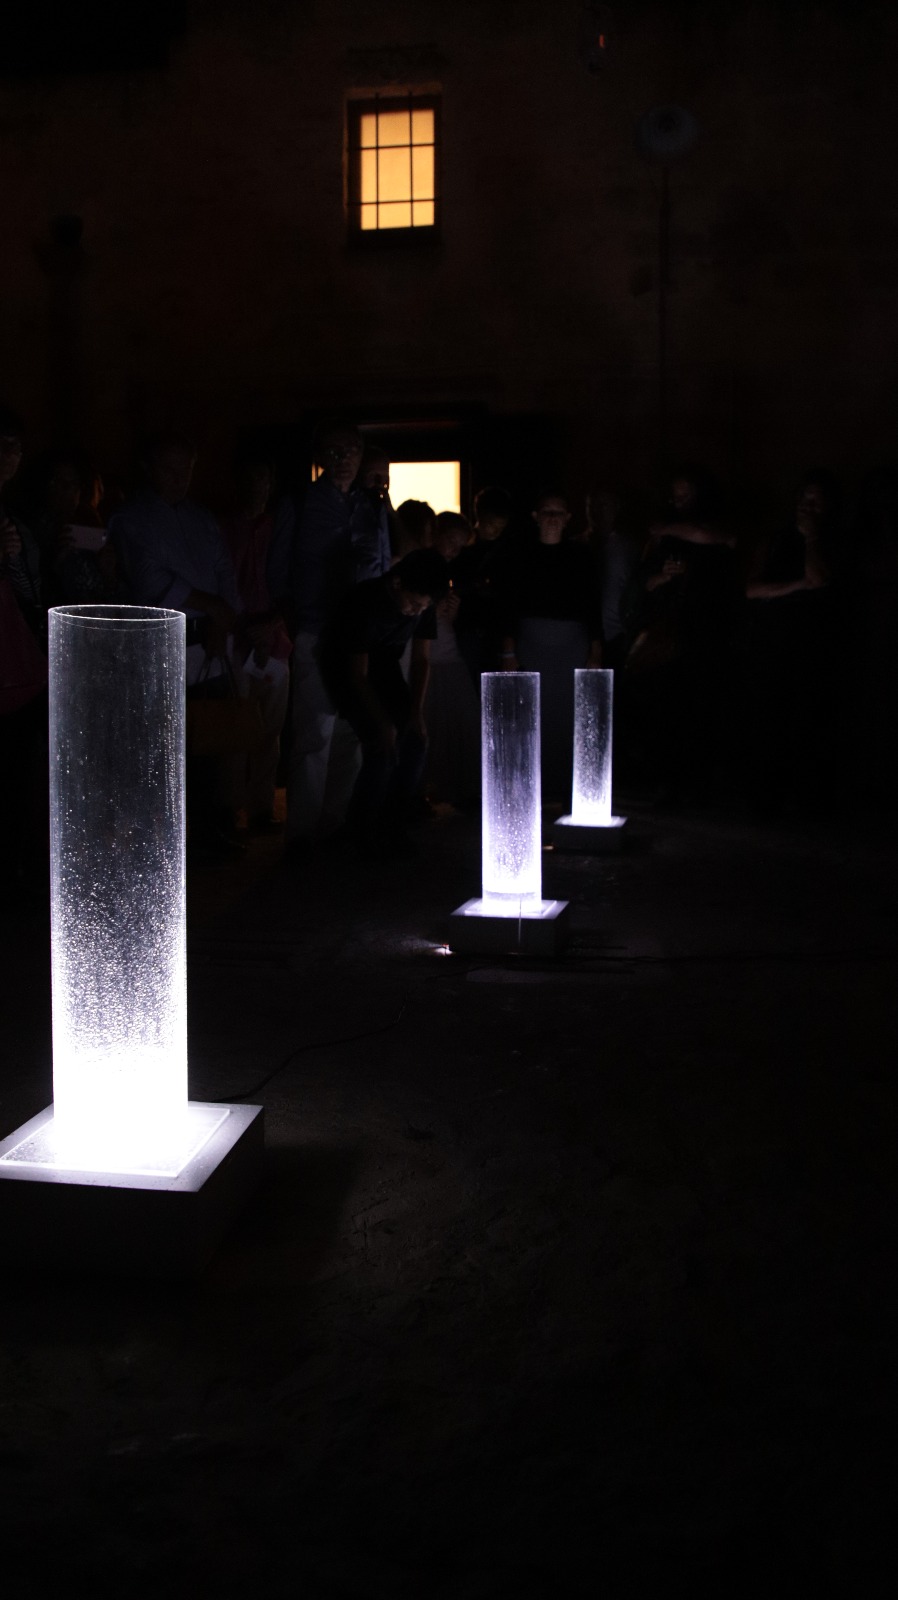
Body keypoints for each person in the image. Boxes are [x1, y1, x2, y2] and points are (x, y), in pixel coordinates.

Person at [110, 431, 243, 853]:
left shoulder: (201, 518)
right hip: (160, 645)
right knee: (167, 751)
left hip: (210, 643)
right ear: (148, 469)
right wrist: (212, 605)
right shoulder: (130, 518)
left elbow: (225, 569)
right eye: (169, 469)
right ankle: (169, 841)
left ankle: (212, 830)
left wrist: (223, 617)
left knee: (211, 743)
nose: (179, 478)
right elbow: (150, 579)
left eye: (185, 469)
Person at [268, 421, 392, 849]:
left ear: (361, 455)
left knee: (351, 732)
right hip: (318, 630)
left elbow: (382, 567)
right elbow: (278, 571)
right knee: (314, 732)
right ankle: (302, 833)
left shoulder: (370, 504)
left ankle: (336, 825)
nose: (343, 461)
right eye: (334, 452)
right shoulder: (301, 502)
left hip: (360, 636)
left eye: (350, 452)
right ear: (321, 457)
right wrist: (297, 622)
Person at [317, 548, 449, 854]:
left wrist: (416, 712)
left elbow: (422, 660)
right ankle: (361, 832)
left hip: (385, 669)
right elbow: (356, 675)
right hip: (347, 670)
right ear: (397, 583)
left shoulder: (423, 602)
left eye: (423, 607)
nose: (416, 612)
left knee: (414, 741)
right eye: (414, 604)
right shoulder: (366, 601)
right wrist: (382, 722)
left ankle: (393, 826)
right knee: (381, 745)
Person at [500, 492, 603, 802]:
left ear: (568, 518)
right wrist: (509, 651)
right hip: (531, 644)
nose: (553, 518)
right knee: (531, 716)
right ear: (536, 516)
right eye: (547, 512)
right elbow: (508, 606)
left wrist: (595, 651)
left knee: (567, 718)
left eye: (559, 513)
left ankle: (566, 789)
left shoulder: (581, 556)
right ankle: (533, 789)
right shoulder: (520, 555)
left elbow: (592, 606)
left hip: (571, 645)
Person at [221, 452, 292, 833]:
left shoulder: (277, 528)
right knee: (237, 729)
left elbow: (291, 583)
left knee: (270, 729)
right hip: (237, 637)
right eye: (250, 479)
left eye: (263, 479)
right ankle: (233, 808)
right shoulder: (224, 528)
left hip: (274, 639)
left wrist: (272, 626)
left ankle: (261, 807)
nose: (257, 487)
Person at [0, 404, 48, 892]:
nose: (10, 455)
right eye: (2, 445)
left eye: (15, 447)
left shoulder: (15, 514)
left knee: (18, 767)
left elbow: (30, 589)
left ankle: (17, 864)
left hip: (17, 661)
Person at [422, 512, 481, 807]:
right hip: (428, 655)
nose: (452, 551)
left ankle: (462, 788)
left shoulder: (448, 571)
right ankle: (428, 788)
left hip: (448, 651)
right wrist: (434, 611)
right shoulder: (421, 565)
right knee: (431, 723)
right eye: (450, 542)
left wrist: (452, 613)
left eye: (459, 547)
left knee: (464, 720)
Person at [453, 484, 515, 684]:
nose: (495, 531)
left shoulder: (506, 551)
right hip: (469, 627)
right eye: (491, 524)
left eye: (500, 527)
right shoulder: (464, 548)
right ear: (479, 516)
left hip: (493, 629)